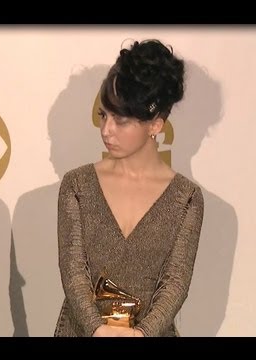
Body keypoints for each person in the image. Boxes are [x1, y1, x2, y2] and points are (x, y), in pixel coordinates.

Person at [54, 39, 204, 337]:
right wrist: (97, 329)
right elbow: (73, 272)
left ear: (155, 125)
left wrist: (143, 333)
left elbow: (175, 283)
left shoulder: (186, 198)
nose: (107, 130)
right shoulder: (78, 186)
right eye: (103, 116)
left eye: (120, 120)